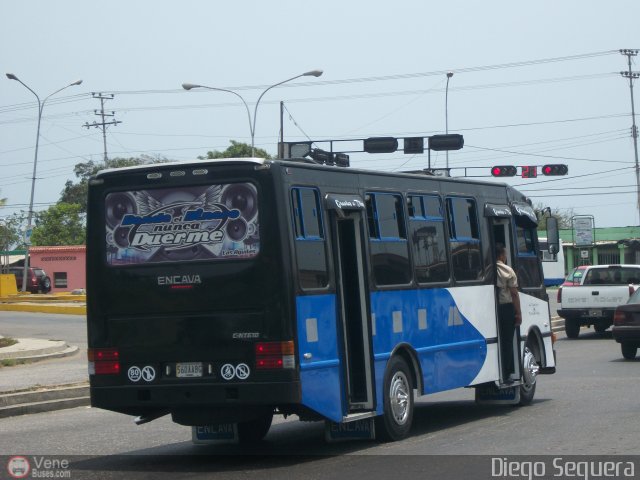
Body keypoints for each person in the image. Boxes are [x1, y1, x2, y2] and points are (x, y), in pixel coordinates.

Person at [496, 243, 522, 383]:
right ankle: (507, 373)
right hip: (506, 308)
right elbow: (514, 294)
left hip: (491, 309)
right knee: (507, 341)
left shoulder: (486, 269)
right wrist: (518, 313)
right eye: (505, 254)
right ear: (501, 255)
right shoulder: (507, 270)